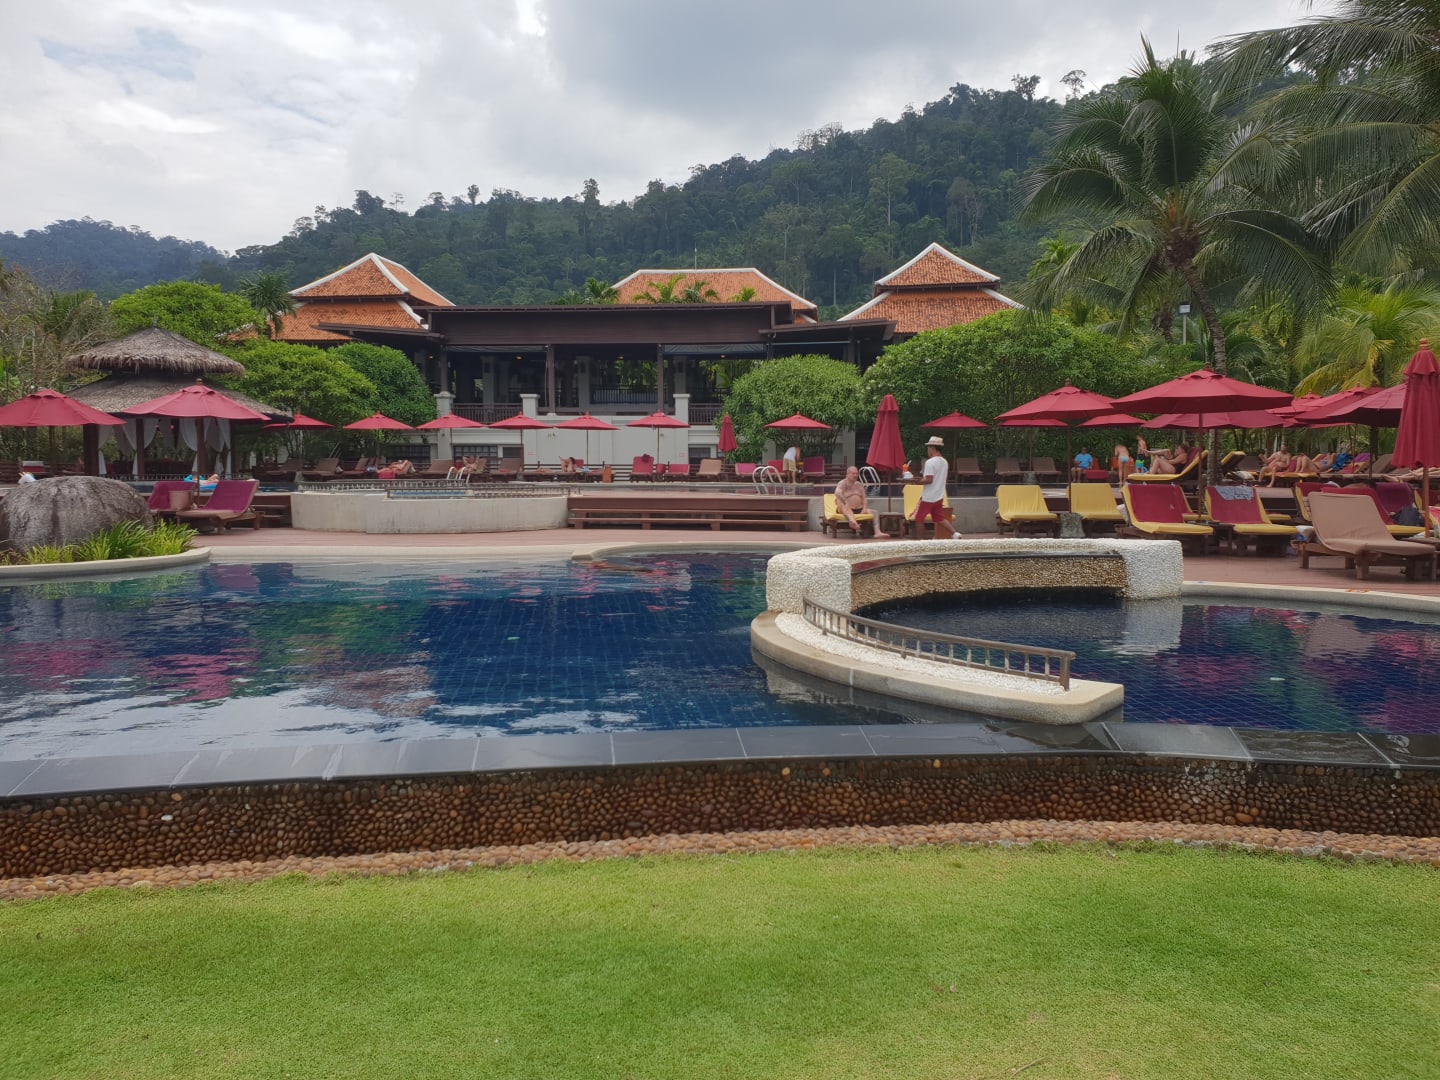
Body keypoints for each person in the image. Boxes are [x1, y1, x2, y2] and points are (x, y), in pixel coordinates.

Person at [912, 436, 959, 540]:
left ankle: (920, 541)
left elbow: (929, 480)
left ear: (932, 448)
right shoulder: (944, 462)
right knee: (939, 518)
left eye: (928, 448)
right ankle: (955, 534)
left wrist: (916, 481)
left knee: (919, 519)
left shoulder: (930, 462)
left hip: (928, 496)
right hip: (939, 495)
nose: (928, 450)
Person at [834, 465, 881, 537]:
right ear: (847, 474)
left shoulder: (859, 485)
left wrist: (864, 508)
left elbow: (864, 498)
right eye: (853, 473)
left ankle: (877, 532)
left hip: (859, 509)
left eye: (857, 473)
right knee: (844, 507)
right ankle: (852, 521)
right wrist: (845, 502)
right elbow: (837, 493)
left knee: (875, 512)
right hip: (847, 508)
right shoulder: (843, 483)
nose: (855, 475)